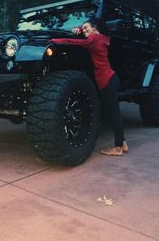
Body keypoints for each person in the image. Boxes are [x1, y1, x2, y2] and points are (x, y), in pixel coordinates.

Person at [50, 18, 128, 156]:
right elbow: (87, 31)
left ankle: (118, 147)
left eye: (87, 28)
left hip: (107, 81)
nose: (84, 31)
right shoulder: (102, 37)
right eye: (83, 29)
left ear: (94, 27)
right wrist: (80, 29)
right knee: (111, 112)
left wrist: (56, 41)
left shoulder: (93, 39)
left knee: (112, 113)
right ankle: (122, 143)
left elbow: (75, 42)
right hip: (110, 78)